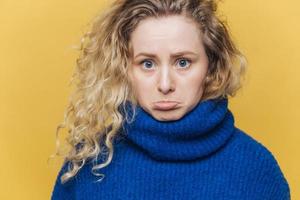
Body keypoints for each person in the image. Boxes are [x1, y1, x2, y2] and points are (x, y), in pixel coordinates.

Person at [50, 0, 291, 199]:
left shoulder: (256, 169)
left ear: (211, 66)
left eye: (183, 62)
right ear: (124, 69)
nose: (165, 85)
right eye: (147, 64)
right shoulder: (90, 162)